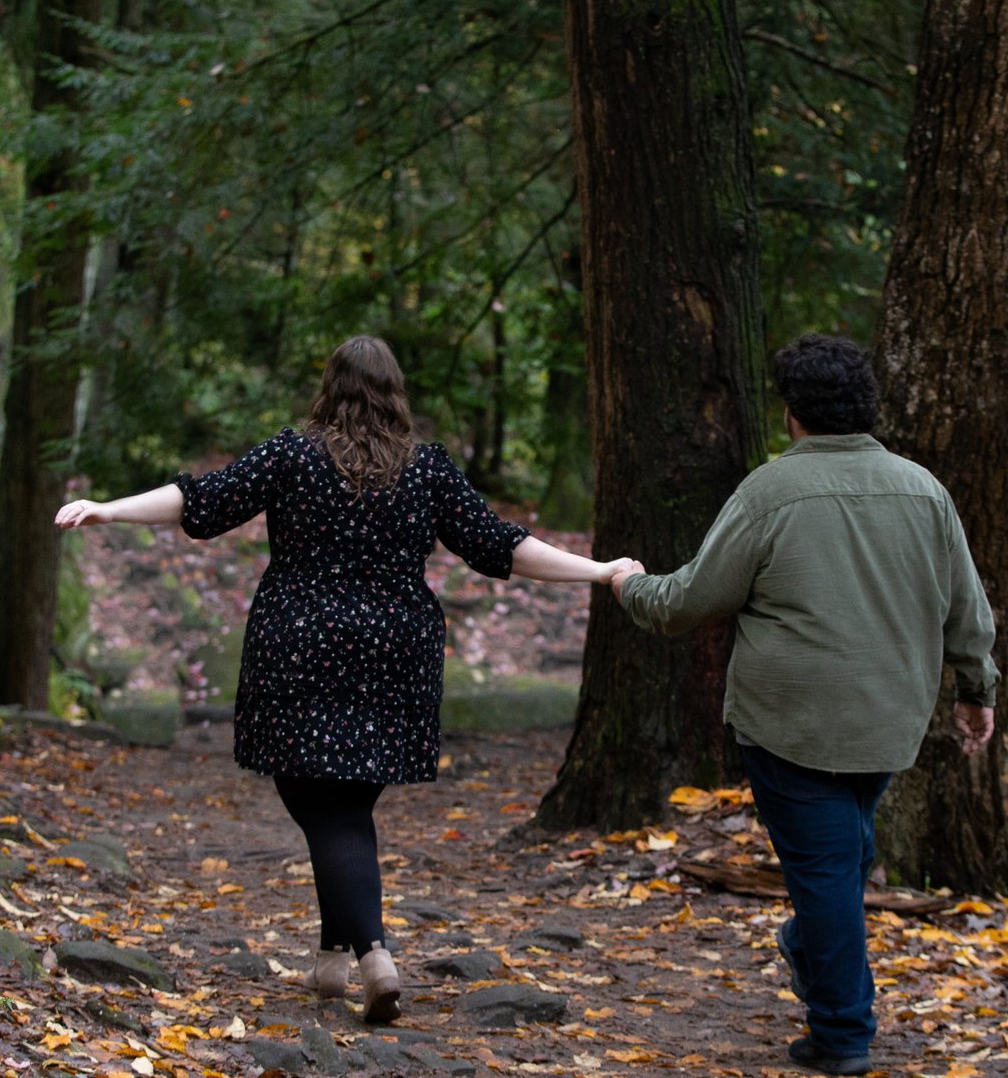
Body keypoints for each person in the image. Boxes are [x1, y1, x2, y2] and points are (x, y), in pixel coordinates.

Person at [58, 336, 630, 1024]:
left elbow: (199, 501)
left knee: (323, 803)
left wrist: (110, 508)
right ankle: (332, 954)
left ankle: (373, 952)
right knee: (346, 800)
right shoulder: (426, 469)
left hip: (301, 644)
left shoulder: (293, 455)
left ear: (329, 388)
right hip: (396, 652)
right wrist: (597, 571)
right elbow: (500, 544)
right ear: (395, 393)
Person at [607, 334, 997, 1076]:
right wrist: (977, 690)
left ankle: (843, 1031)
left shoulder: (770, 492)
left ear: (791, 413)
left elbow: (689, 600)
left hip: (789, 723)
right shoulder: (924, 490)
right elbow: (967, 611)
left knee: (826, 868)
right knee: (843, 853)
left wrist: (630, 585)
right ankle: (815, 948)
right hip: (889, 719)